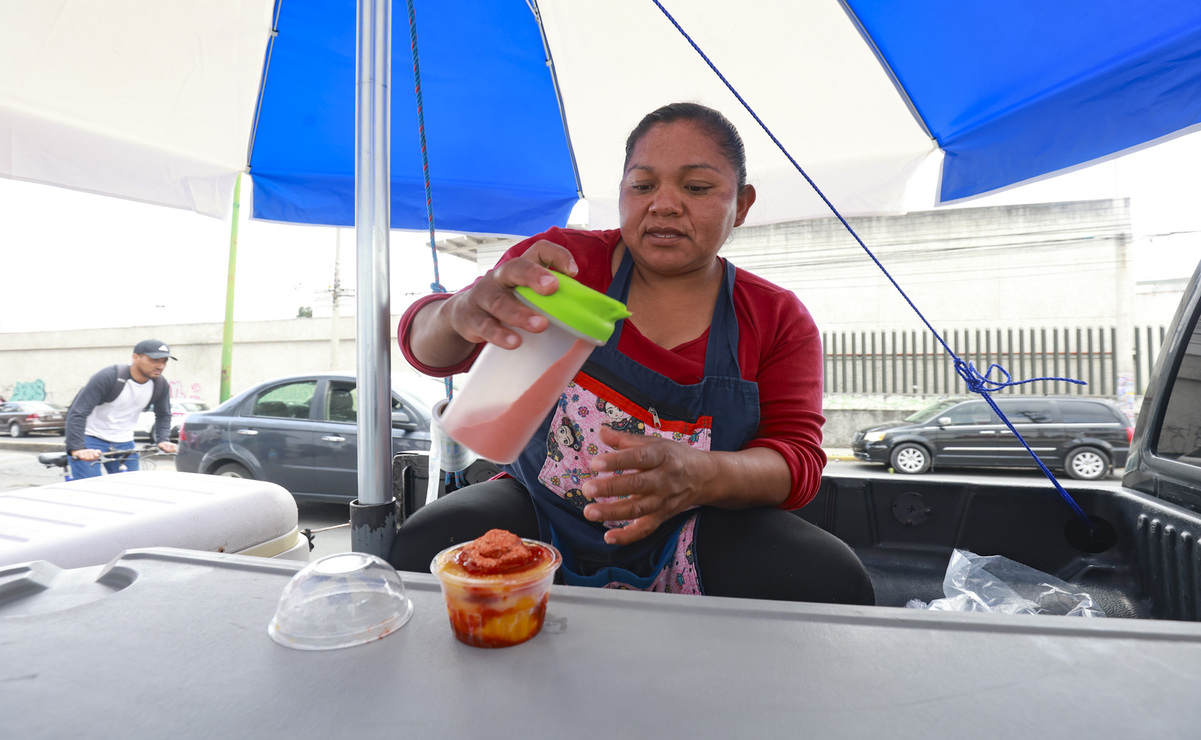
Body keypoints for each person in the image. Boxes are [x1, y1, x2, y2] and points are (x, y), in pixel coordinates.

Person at [392, 103, 874, 604]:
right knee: (427, 544)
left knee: (828, 578)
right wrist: (458, 313)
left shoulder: (776, 317)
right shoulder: (562, 267)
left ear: (742, 204)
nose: (664, 205)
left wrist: (704, 474)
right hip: (539, 509)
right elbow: (427, 349)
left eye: (696, 187)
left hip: (697, 526)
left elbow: (796, 461)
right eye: (642, 186)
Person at [65, 339, 179, 479]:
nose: (160, 366)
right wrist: (77, 448)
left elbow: (163, 414)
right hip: (90, 437)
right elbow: (78, 412)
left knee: (130, 486)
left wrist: (163, 440)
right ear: (135, 357)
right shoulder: (109, 376)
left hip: (124, 441)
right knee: (90, 486)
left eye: (164, 361)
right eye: (154, 360)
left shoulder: (160, 384)